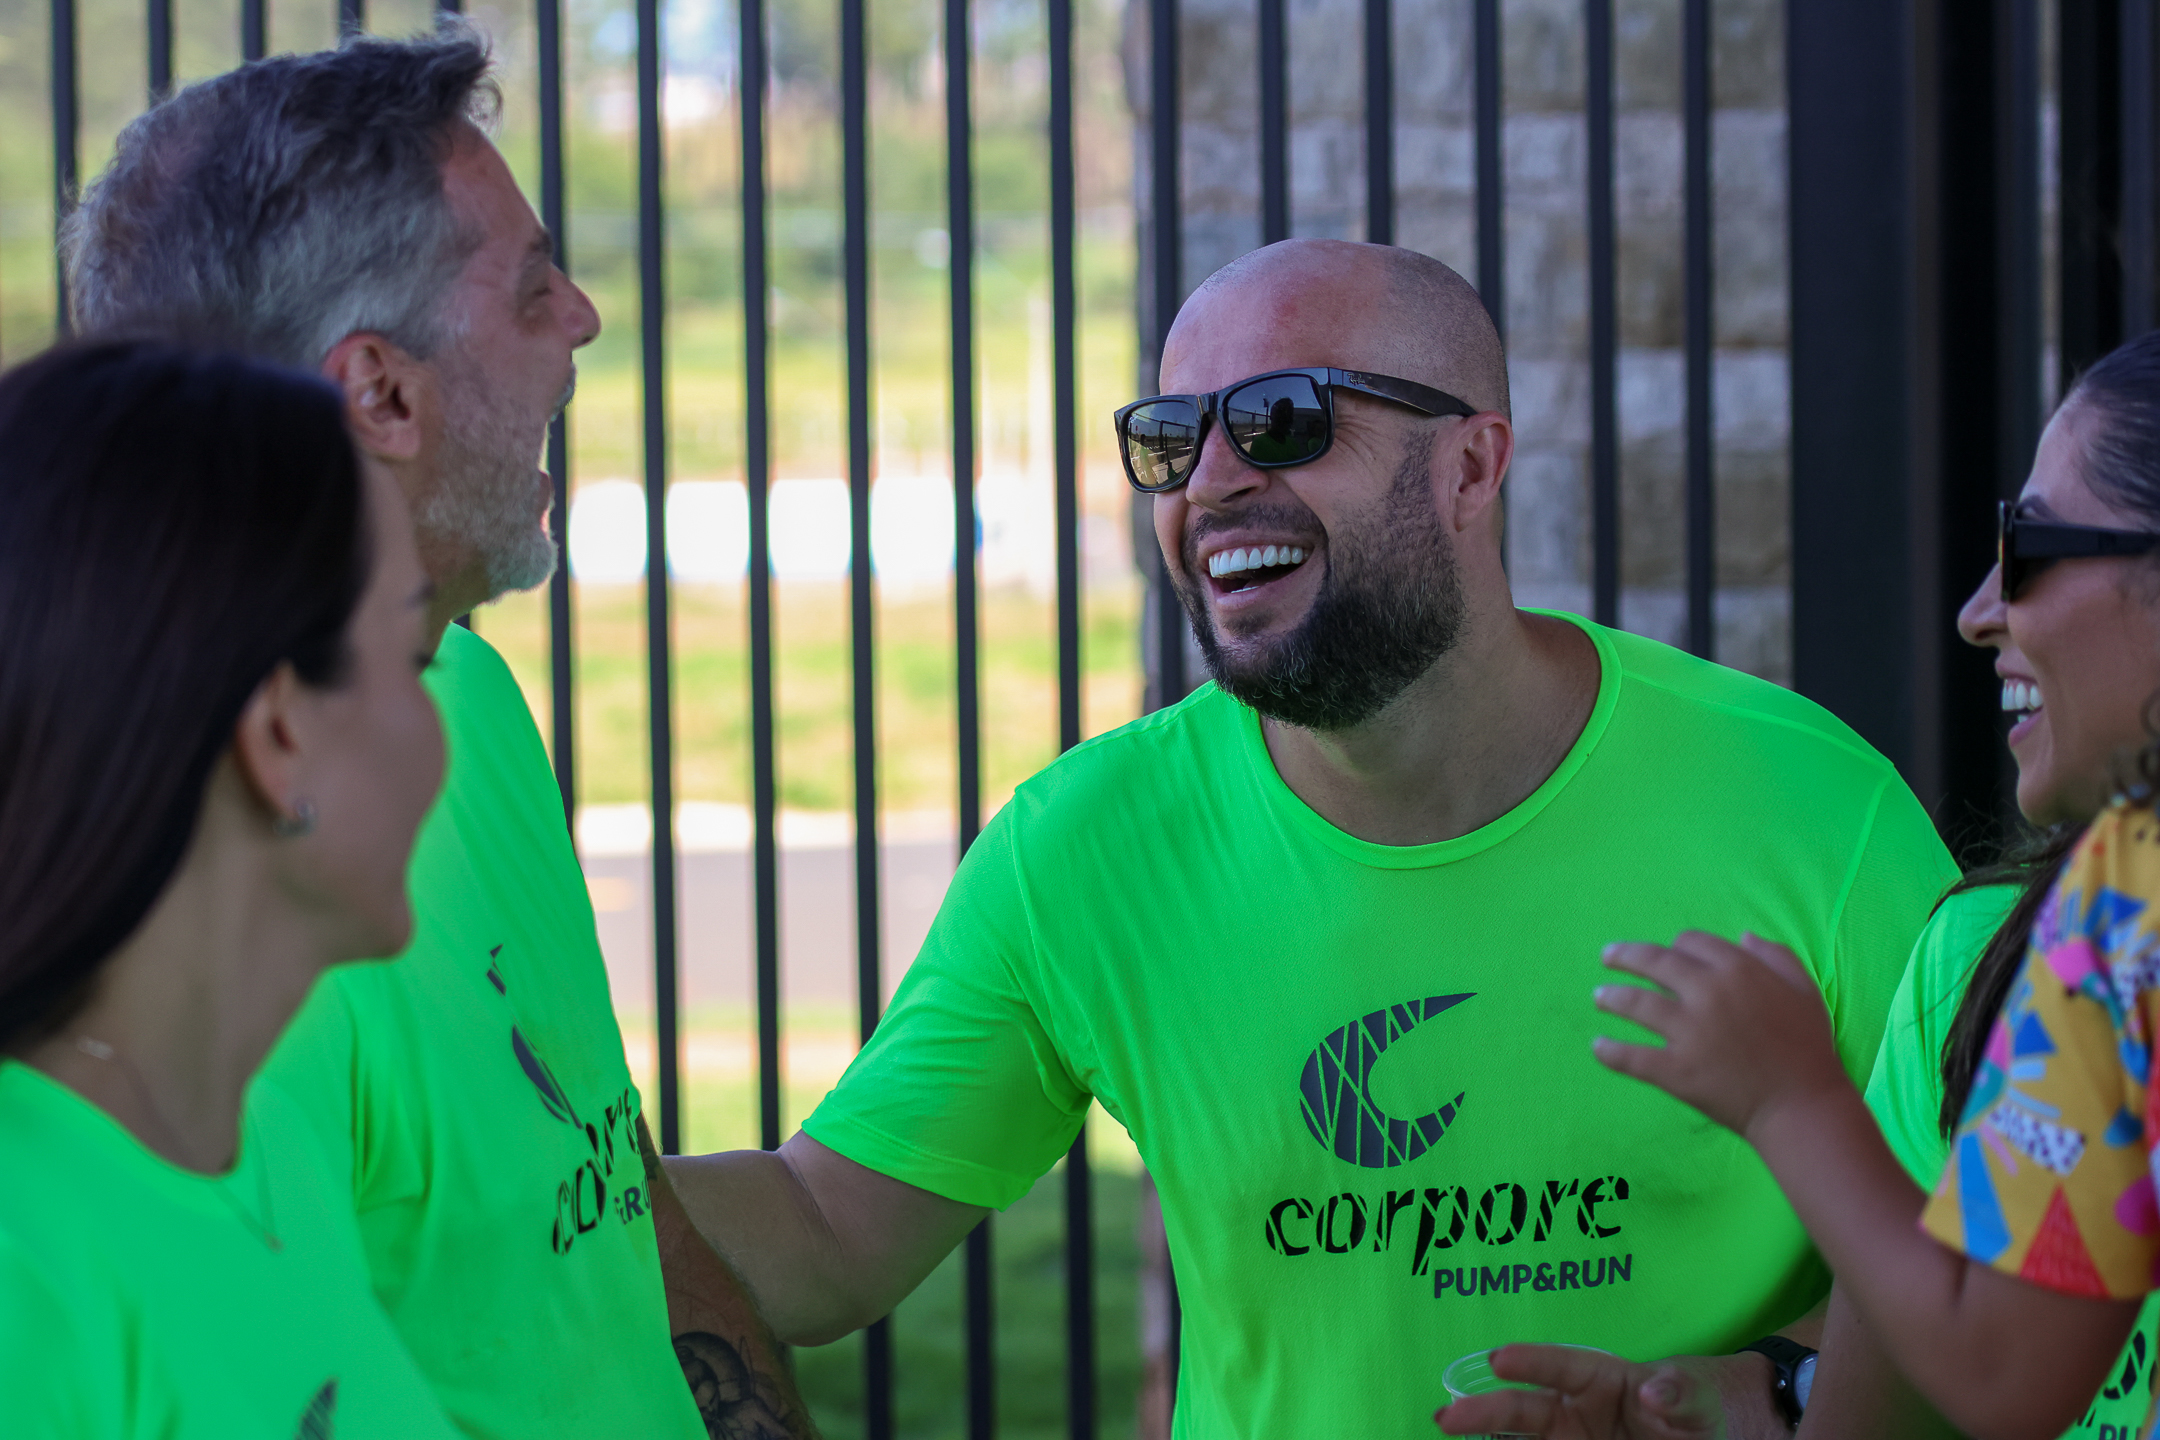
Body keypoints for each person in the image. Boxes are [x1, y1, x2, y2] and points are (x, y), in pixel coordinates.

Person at [663, 237, 1959, 1436]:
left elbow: (1992, 1266)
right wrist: (563, 1173)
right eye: (1170, 440)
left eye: (1282, 421)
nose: (1212, 481)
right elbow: (828, 1227)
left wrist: (1779, 1383)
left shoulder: (1809, 807)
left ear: (1471, 467)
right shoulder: (1087, 848)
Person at [62, 29, 815, 1440]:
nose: (582, 318)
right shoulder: (202, 953)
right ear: (380, 392)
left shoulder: (465, 694)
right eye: (531, 285)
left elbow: (608, 1200)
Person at [1435, 330, 2160, 1440]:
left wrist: (1792, 1101)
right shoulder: (2044, 934)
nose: (1980, 610)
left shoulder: (2117, 915)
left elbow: (2005, 1372)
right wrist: (1764, 1399)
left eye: (2027, 545)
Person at [0, 341, 453, 1435]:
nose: (440, 733)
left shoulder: (267, 1154)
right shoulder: (26, 1281)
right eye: (415, 657)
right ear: (279, 730)